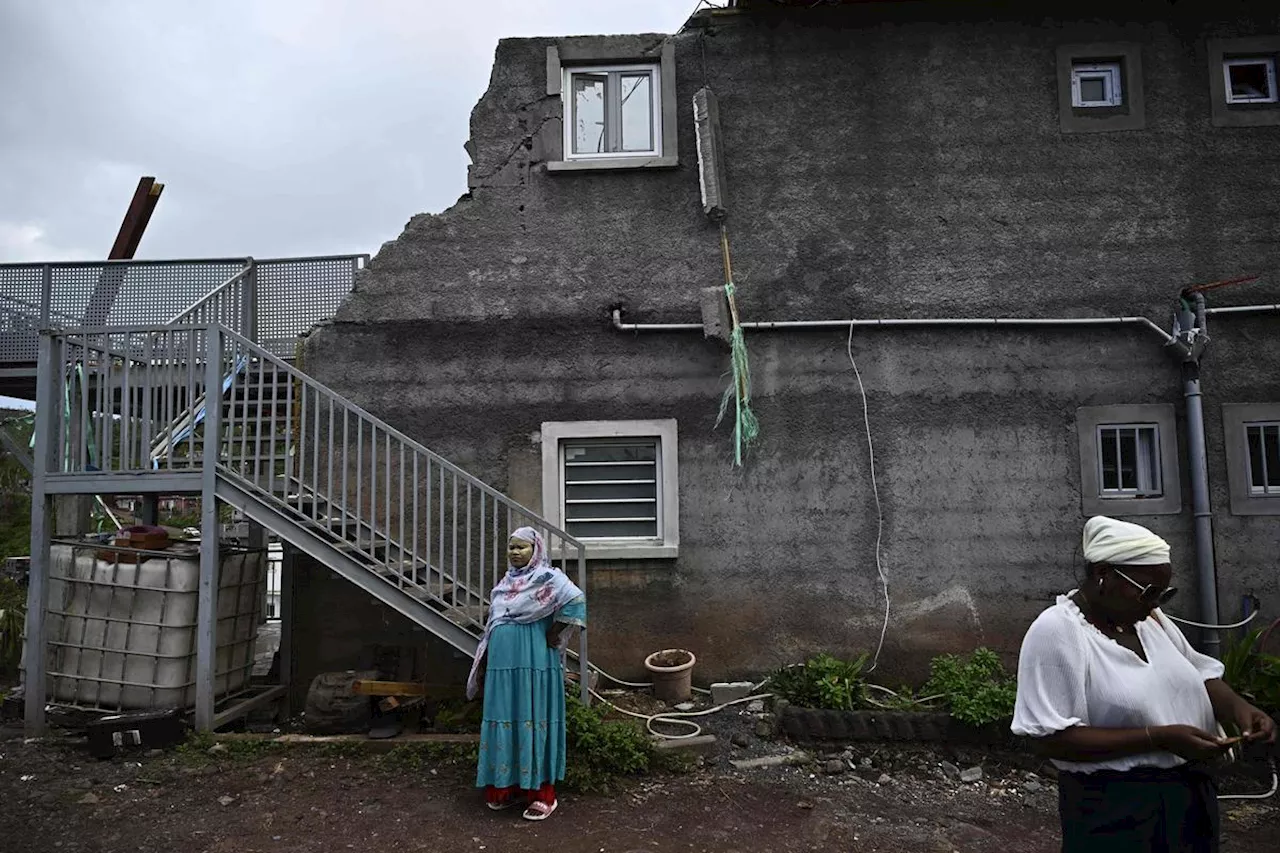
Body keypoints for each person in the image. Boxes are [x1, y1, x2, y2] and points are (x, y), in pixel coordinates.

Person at [1011, 516, 1276, 852]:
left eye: (1164, 594)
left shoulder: (1150, 621)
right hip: (1115, 809)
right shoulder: (1057, 632)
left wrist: (1243, 709)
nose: (1155, 603)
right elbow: (1049, 740)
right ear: (1103, 575)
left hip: (1189, 799)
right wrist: (1159, 738)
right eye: (1148, 592)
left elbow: (1200, 674)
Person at [466, 526, 586, 821]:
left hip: (535, 661)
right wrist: (482, 665)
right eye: (512, 548)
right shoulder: (505, 584)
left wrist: (554, 632)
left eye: (522, 547)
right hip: (502, 665)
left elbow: (577, 600)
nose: (516, 553)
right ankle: (506, 788)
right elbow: (492, 625)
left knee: (534, 716)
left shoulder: (548, 578)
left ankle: (542, 794)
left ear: (536, 550)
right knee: (506, 716)